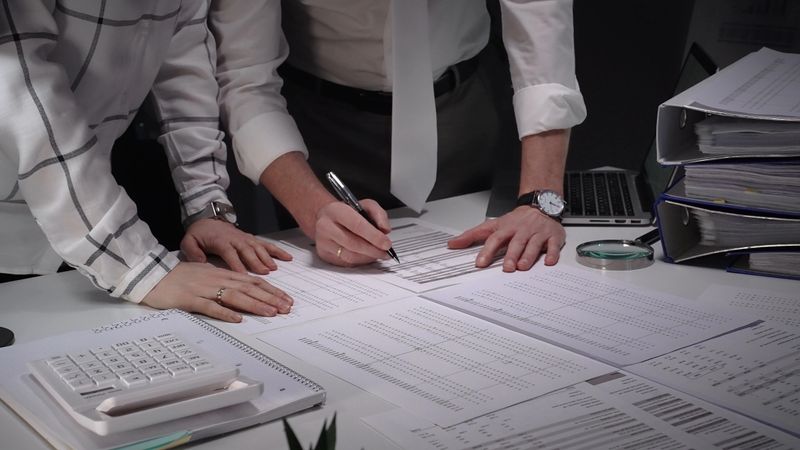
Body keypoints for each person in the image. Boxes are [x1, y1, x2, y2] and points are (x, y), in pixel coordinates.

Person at [209, 0, 586, 272]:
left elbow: (543, 40)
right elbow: (246, 80)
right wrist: (314, 209)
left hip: (459, 108)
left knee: (480, 271)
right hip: (320, 127)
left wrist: (541, 200)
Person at [1, 1, 293, 322]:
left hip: (92, 218)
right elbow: (19, 88)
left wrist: (206, 205)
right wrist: (138, 264)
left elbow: (183, 66)